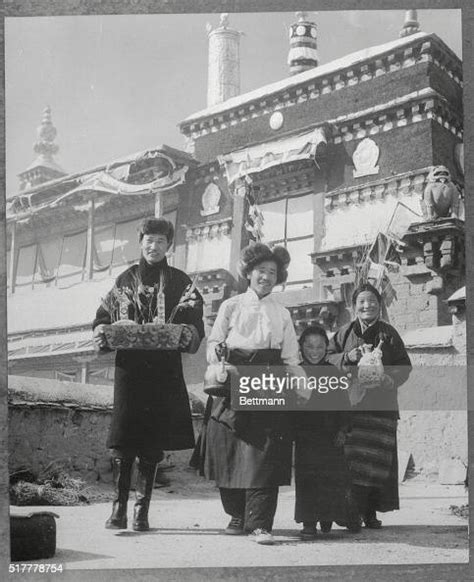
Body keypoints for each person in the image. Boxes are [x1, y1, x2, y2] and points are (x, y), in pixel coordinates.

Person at [92, 217, 204, 531]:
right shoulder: (124, 280)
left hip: (163, 370)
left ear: (169, 246)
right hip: (130, 369)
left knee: (153, 440)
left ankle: (141, 513)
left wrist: (188, 333)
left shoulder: (182, 282)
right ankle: (118, 510)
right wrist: (103, 330)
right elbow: (102, 317)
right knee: (125, 439)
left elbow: (195, 322)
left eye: (160, 241)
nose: (154, 247)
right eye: (149, 240)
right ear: (141, 242)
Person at [202, 243, 300, 545]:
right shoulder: (231, 306)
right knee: (229, 449)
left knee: (265, 452)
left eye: (272, 272)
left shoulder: (282, 312)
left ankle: (259, 524)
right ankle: (237, 514)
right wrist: (219, 364)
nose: (266, 277)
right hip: (232, 376)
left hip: (269, 379)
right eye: (261, 271)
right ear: (249, 273)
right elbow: (214, 343)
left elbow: (290, 356)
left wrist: (299, 385)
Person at [327, 283, 412, 529]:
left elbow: (405, 366)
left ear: (379, 305)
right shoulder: (344, 333)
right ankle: (351, 511)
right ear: (354, 307)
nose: (367, 306)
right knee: (352, 461)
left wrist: (389, 378)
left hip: (381, 406)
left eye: (372, 301)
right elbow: (327, 358)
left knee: (377, 461)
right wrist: (348, 357)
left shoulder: (389, 333)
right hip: (351, 406)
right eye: (362, 302)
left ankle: (371, 512)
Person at [294, 325, 360, 539]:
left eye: (320, 346)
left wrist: (343, 429)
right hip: (305, 437)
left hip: (330, 437)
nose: (315, 351)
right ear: (301, 348)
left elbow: (344, 404)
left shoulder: (333, 372)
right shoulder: (296, 372)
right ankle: (309, 522)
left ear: (326, 348)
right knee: (307, 479)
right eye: (309, 346)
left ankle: (327, 517)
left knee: (331, 478)